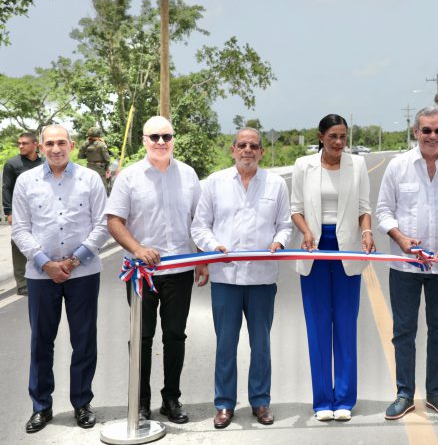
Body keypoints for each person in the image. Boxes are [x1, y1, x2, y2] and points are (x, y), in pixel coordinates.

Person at [376, 107, 438, 420]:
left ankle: (435, 392)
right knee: (403, 331)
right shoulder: (398, 167)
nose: (432, 136)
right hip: (405, 267)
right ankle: (404, 394)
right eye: (426, 130)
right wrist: (401, 239)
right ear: (416, 132)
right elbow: (383, 212)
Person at [191, 127, 292, 429]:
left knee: (261, 344)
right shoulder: (215, 183)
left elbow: (285, 225)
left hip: (262, 278)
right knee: (226, 344)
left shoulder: (275, 184)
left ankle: (260, 401)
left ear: (261, 152)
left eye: (254, 146)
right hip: (226, 277)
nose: (248, 150)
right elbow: (200, 226)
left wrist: (279, 243)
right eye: (242, 145)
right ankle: (224, 404)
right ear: (232, 150)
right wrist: (213, 248)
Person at [11, 125, 109, 433]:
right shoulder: (25, 182)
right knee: (41, 342)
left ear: (73, 145)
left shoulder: (90, 179)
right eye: (50, 143)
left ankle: (82, 403)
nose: (56, 148)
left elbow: (102, 224)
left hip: (83, 273)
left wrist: (75, 258)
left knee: (83, 341)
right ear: (40, 147)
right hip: (41, 275)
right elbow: (19, 229)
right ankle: (42, 406)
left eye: (61, 142)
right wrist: (45, 263)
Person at [106, 116, 203, 424]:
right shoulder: (129, 177)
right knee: (142, 338)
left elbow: (199, 223)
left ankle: (171, 398)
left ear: (173, 138)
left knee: (175, 336)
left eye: (167, 136)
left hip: (179, 271)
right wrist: (137, 249)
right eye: (155, 137)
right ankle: (142, 401)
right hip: (140, 274)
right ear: (144, 140)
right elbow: (114, 221)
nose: (161, 142)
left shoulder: (188, 175)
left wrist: (201, 257)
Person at [291, 114, 374, 422]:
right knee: (318, 325)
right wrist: (307, 232)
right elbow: (295, 209)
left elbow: (364, 208)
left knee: (345, 324)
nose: (339, 142)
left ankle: (344, 399)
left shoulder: (358, 165)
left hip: (347, 250)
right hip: (314, 249)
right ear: (321, 137)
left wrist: (366, 232)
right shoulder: (304, 166)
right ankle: (322, 400)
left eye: (343, 136)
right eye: (333, 136)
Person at [3, 131, 44, 296]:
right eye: (19, 143)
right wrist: (8, 212)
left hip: (40, 211)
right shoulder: (12, 164)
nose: (20, 146)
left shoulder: (44, 163)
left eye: (24, 143)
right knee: (19, 245)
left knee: (39, 242)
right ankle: (22, 283)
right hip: (20, 211)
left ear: (35, 144)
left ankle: (41, 276)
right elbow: (6, 189)